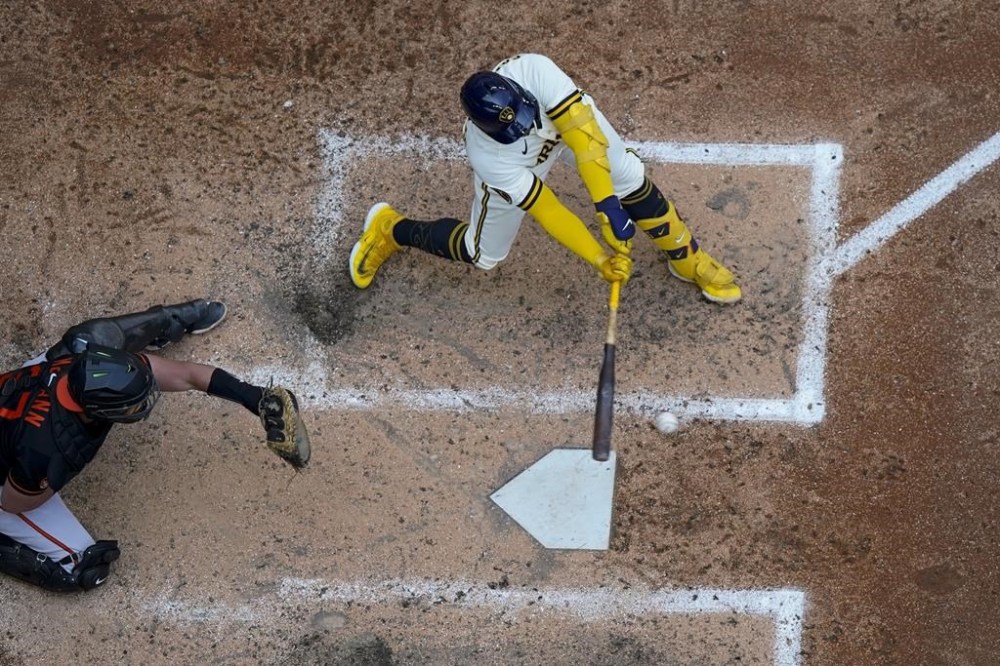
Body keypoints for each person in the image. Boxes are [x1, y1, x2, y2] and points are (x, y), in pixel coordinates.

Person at [349, 53, 741, 304]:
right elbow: (548, 209)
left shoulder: (535, 70)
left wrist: (607, 206)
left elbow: (585, 144)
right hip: (521, 166)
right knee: (482, 255)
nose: (521, 127)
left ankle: (686, 257)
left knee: (625, 174)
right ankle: (390, 229)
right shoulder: (489, 155)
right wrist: (599, 258)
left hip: (567, 131)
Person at [0, 299, 310, 593]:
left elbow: (188, 375)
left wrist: (253, 398)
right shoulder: (44, 450)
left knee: (93, 335)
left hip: (16, 411)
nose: (144, 405)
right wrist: (55, 475)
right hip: (12, 484)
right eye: (131, 407)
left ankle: (169, 319)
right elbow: (14, 503)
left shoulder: (89, 363)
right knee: (84, 569)